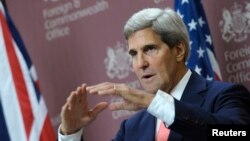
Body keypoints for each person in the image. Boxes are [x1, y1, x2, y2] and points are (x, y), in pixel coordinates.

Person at [58, 7, 250, 141]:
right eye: (133, 54)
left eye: (149, 49)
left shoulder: (224, 96)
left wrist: (152, 102)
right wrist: (71, 134)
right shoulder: (132, 128)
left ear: (178, 50)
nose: (140, 63)